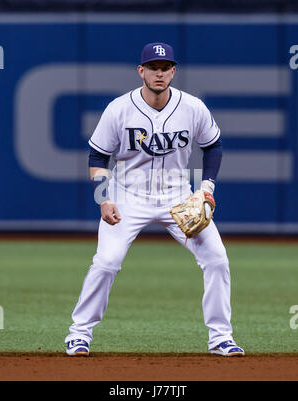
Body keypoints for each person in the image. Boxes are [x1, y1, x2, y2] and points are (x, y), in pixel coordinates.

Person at [64, 42, 244, 357]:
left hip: (178, 197)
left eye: (165, 68)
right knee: (106, 262)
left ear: (173, 71)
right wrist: (103, 199)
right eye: (153, 68)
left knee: (217, 259)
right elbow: (98, 156)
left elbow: (213, 146)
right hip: (127, 195)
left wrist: (206, 188)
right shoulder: (119, 108)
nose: (159, 74)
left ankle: (221, 338)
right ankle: (78, 335)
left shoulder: (193, 107)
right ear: (141, 71)